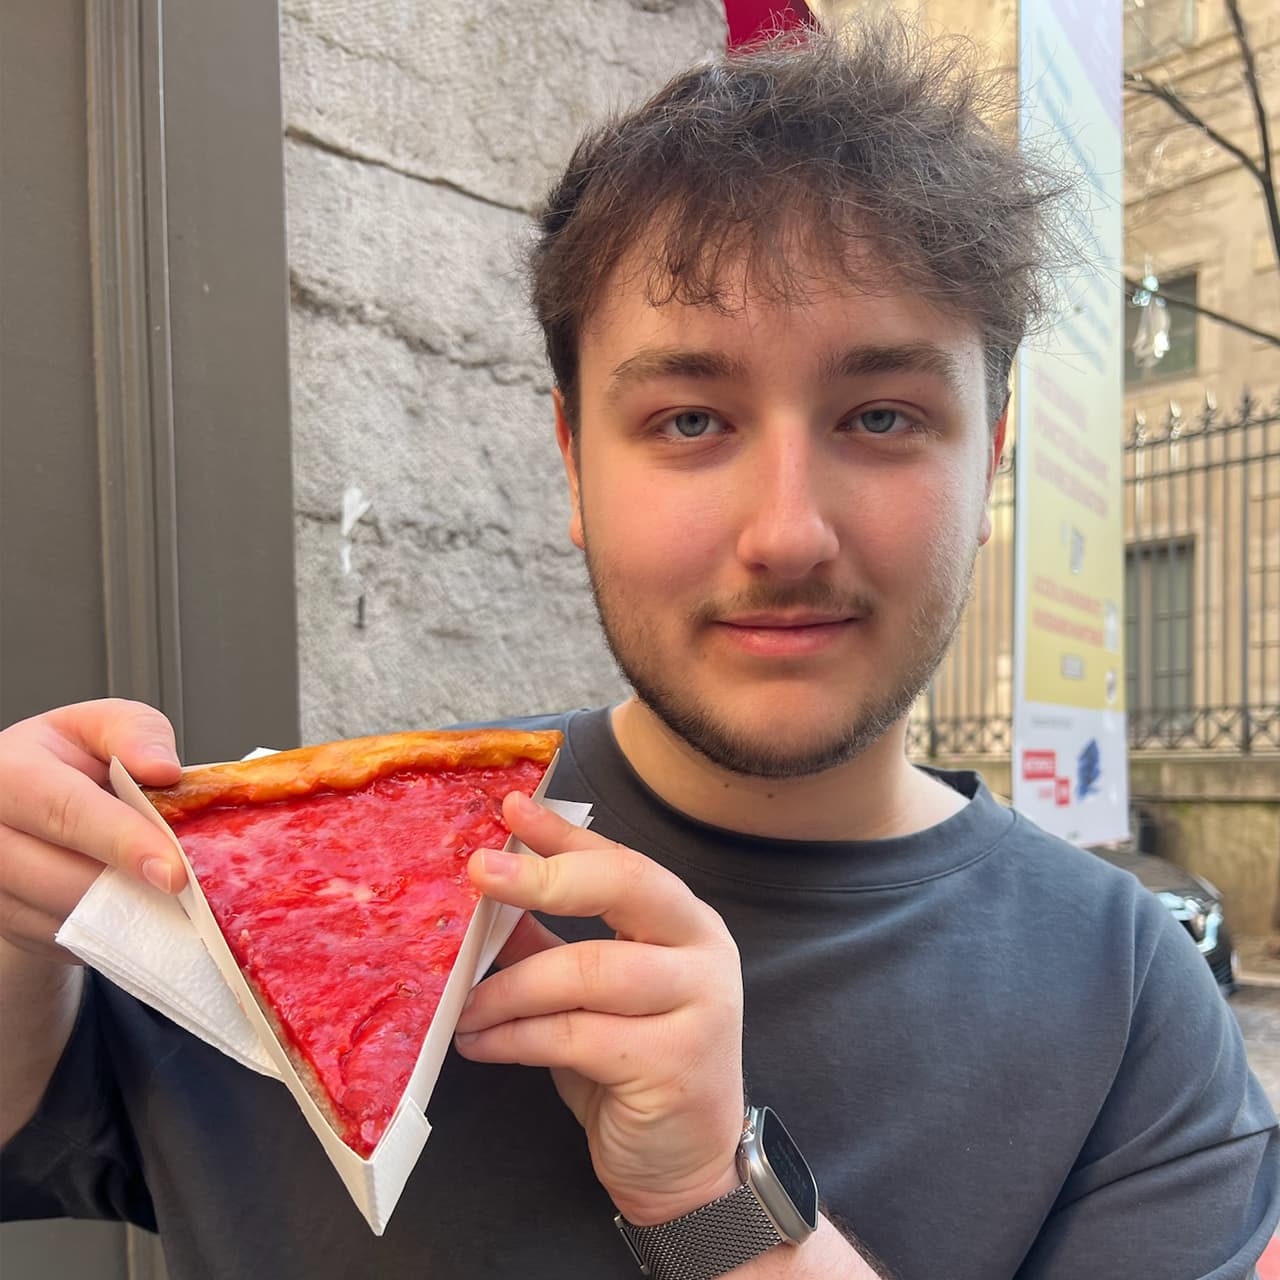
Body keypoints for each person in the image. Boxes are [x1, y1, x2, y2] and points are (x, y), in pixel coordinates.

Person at [2, 22, 1277, 1280]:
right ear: (571, 460)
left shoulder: (1128, 1007)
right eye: (688, 418)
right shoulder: (296, 880)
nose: (786, 530)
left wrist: (716, 1207)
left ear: (989, 457)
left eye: (880, 415)